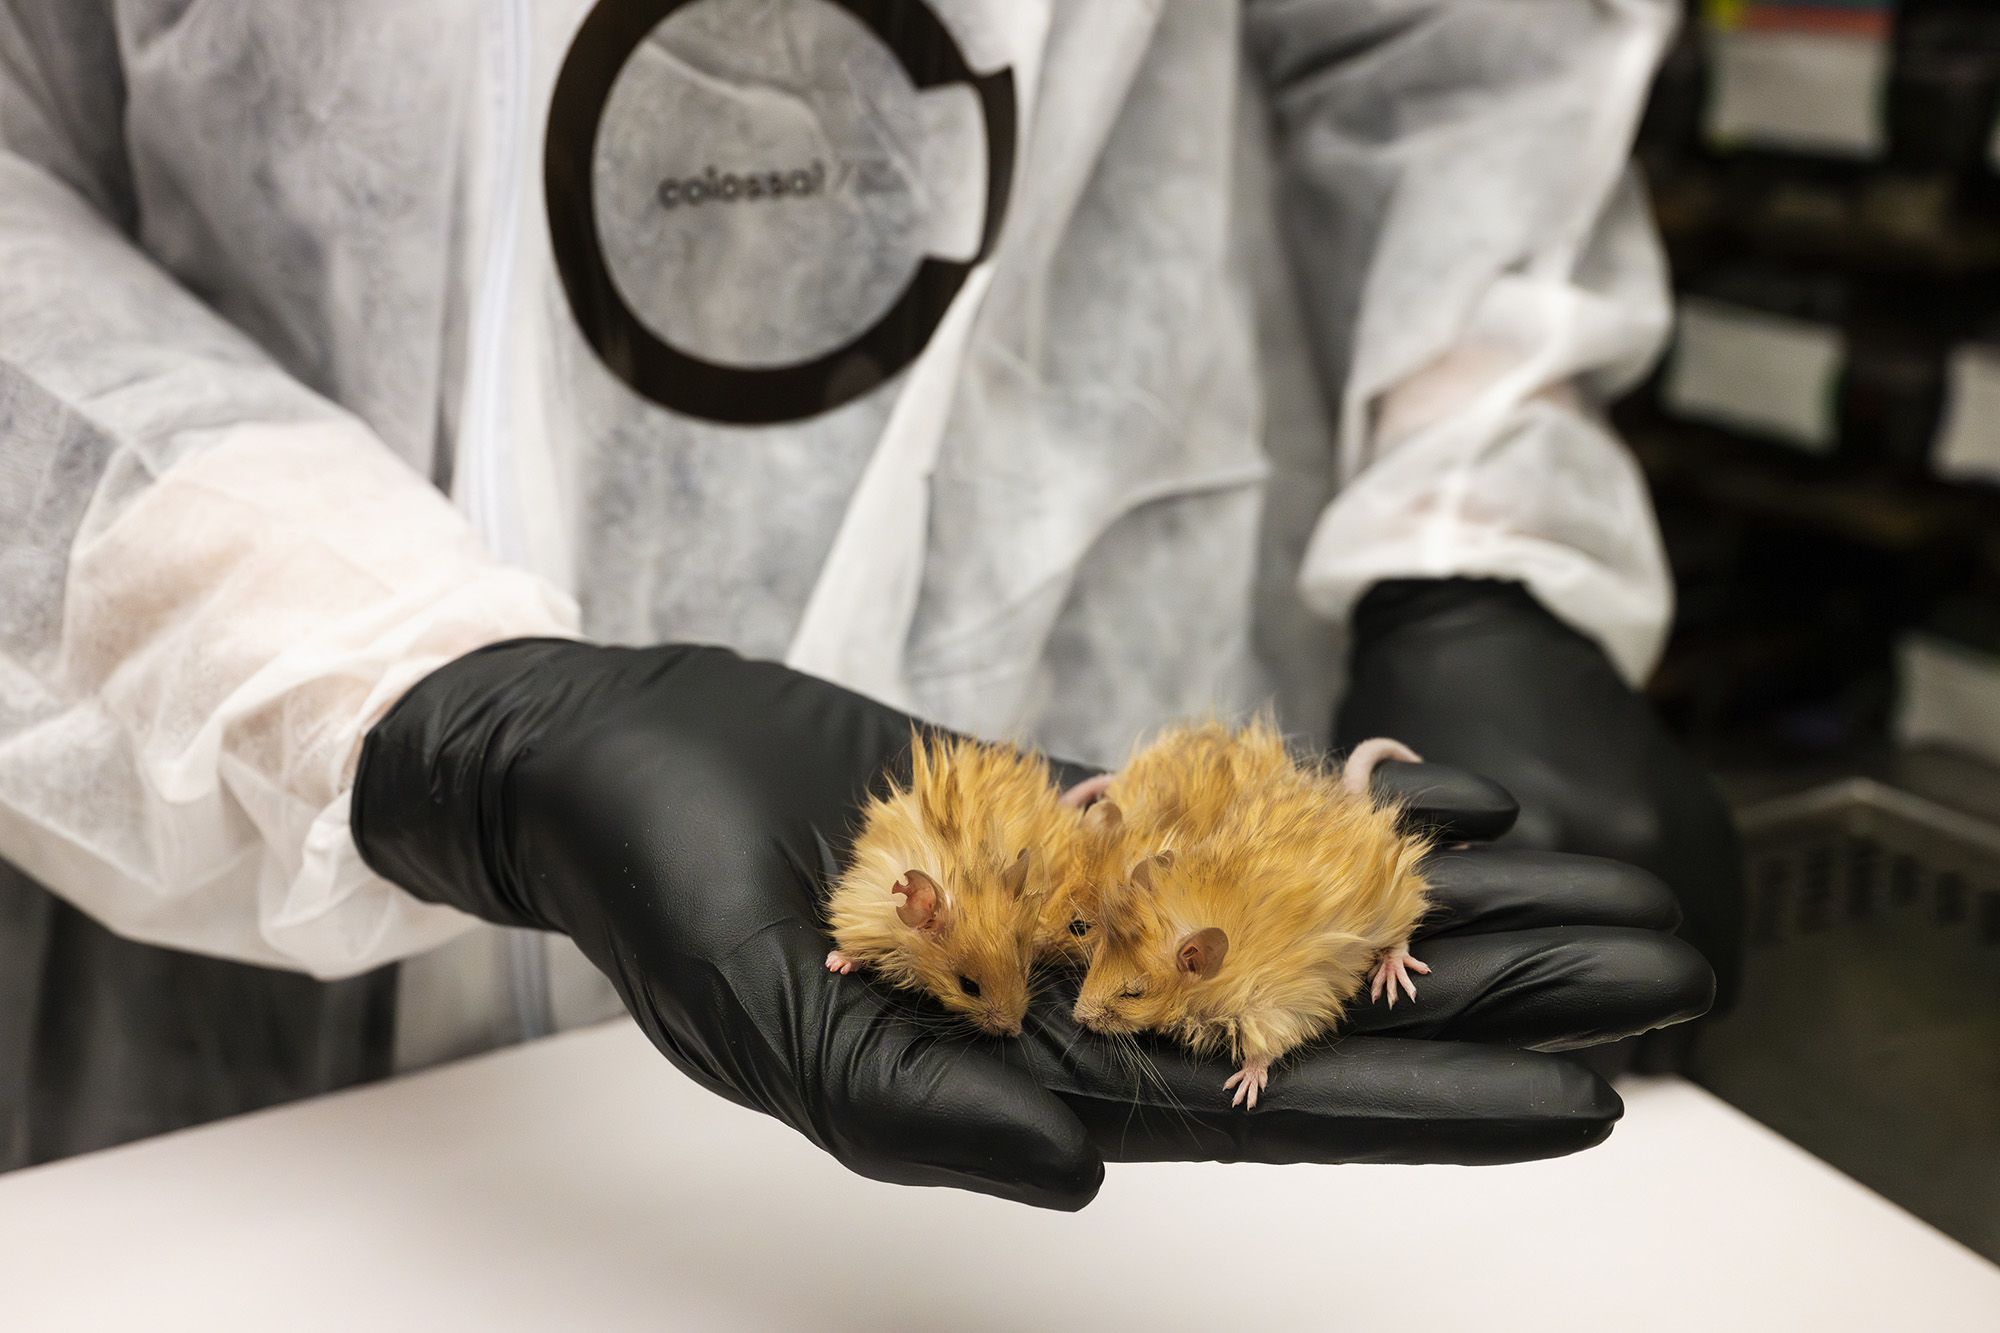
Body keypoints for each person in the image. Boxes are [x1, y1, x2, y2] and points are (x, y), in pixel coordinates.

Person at [0, 0, 1726, 1205]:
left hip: (1107, 648)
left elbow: (1463, 48)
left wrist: (1476, 512)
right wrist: (376, 691)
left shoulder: (1142, 908)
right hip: (266, 962)